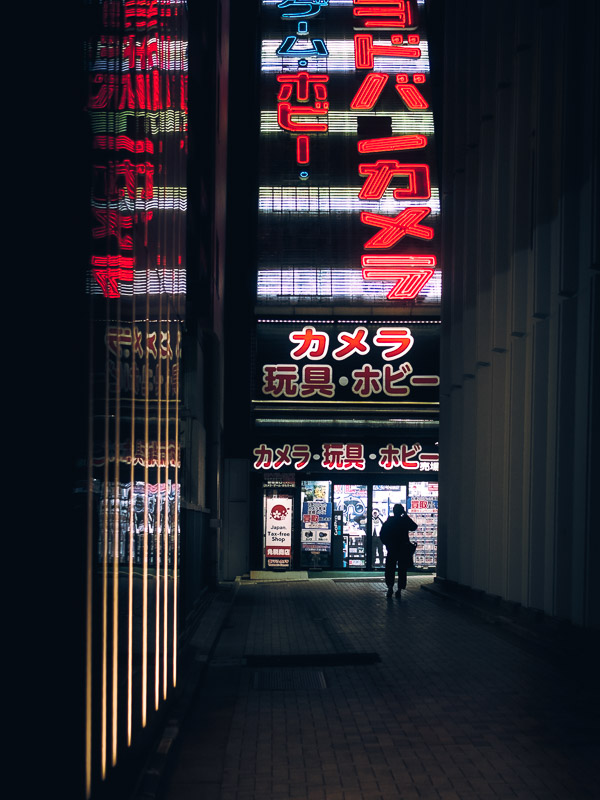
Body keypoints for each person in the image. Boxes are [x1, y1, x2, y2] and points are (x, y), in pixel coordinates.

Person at [379, 503, 417, 599]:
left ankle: (390, 587)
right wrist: (405, 515)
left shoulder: (389, 521)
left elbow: (382, 534)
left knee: (390, 569)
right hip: (403, 549)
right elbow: (414, 527)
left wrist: (387, 544)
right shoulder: (404, 521)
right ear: (401, 511)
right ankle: (399, 589)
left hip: (392, 549)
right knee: (402, 570)